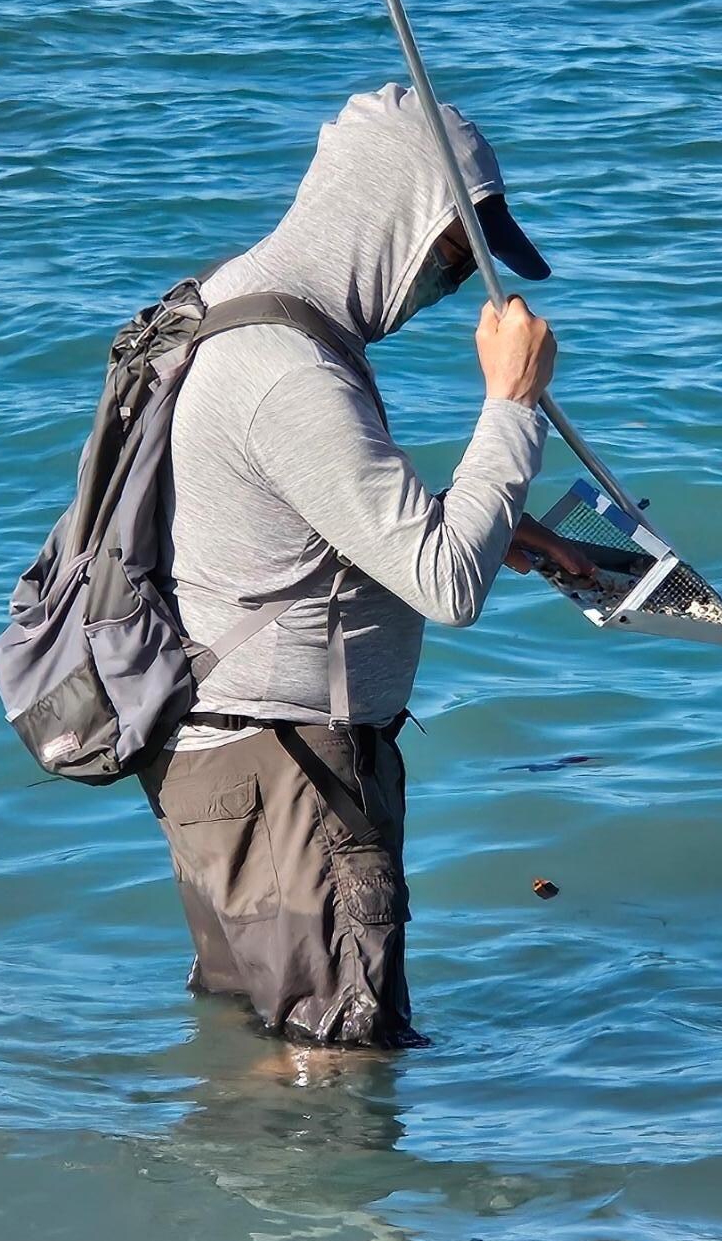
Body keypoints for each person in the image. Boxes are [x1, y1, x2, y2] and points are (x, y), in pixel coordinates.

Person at [139, 83, 593, 1048]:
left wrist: (495, 522)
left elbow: (296, 510)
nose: (451, 289)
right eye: (452, 258)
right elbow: (447, 585)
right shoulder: (288, 369)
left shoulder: (234, 304)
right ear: (391, 219)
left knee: (261, 1063)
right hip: (293, 780)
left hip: (238, 775)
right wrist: (512, 406)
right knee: (339, 1083)